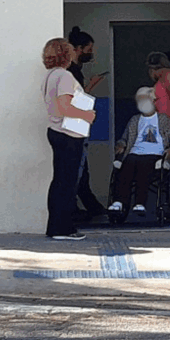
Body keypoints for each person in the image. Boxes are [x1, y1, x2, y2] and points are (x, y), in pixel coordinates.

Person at [41, 38, 97, 241]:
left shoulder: (50, 76)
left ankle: (55, 226)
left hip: (55, 130)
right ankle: (63, 228)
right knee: (67, 182)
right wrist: (87, 115)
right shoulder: (65, 76)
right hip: (68, 133)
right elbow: (64, 107)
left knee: (59, 181)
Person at [110, 87, 170, 214]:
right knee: (126, 166)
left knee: (144, 166)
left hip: (155, 153)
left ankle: (140, 203)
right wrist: (120, 145)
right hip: (134, 152)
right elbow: (124, 139)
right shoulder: (134, 120)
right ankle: (118, 202)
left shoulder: (163, 119)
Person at [67, 26, 107, 221]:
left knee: (81, 169)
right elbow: (78, 98)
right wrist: (91, 85)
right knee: (78, 168)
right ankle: (79, 207)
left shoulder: (75, 70)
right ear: (78, 48)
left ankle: (90, 205)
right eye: (88, 49)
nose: (90, 54)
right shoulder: (70, 72)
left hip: (79, 125)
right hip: (74, 126)